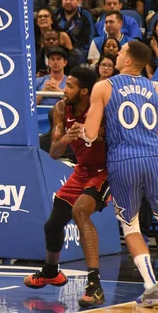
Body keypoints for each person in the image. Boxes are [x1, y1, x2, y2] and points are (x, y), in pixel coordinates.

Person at [77, 40, 158, 307]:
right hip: (154, 157)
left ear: (127, 61)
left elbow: (89, 134)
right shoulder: (155, 88)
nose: (117, 53)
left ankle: (150, 285)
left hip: (123, 161)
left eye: (121, 51)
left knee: (131, 224)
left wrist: (85, 132)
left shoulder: (104, 86)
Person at [24, 67, 108, 307]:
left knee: (80, 211)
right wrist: (66, 139)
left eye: (69, 86)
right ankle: (51, 271)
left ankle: (95, 286)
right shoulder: (61, 109)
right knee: (52, 225)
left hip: (106, 171)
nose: (64, 90)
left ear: (84, 91)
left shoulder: (102, 109)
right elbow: (53, 153)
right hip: (82, 171)